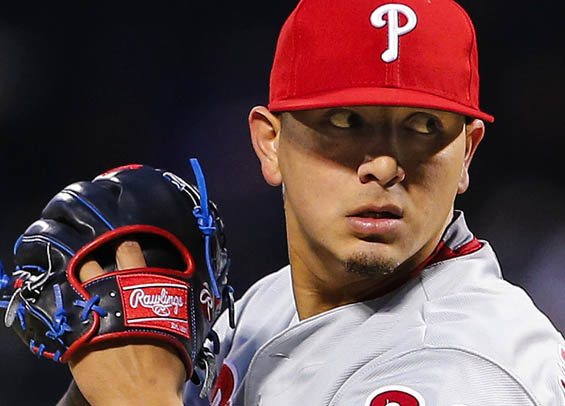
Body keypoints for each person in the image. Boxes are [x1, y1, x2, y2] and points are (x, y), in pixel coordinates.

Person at [60, 0, 565, 405]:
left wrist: (140, 397)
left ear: (466, 154)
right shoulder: (268, 305)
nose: (385, 165)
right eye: (346, 122)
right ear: (270, 143)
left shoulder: (470, 368)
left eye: (423, 126)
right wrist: (99, 377)